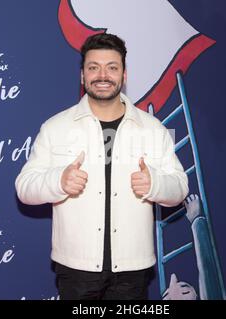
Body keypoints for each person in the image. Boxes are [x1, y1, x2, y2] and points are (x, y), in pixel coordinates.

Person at [15, 33, 189, 300]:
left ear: (124, 75)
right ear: (82, 76)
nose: (102, 75)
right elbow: (24, 188)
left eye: (112, 67)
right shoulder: (56, 127)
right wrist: (58, 181)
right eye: (93, 67)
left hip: (133, 269)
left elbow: (179, 187)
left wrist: (155, 183)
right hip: (76, 269)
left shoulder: (152, 129)